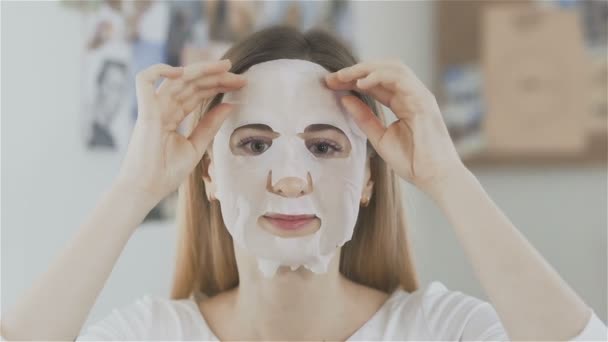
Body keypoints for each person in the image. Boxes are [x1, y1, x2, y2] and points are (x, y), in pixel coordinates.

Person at [1, 26, 606, 341]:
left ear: (368, 180)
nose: (290, 179)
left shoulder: (440, 330)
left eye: (323, 146)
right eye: (254, 144)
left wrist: (446, 176)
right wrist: (135, 186)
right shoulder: (153, 334)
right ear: (209, 174)